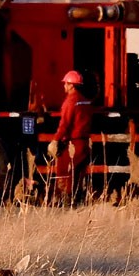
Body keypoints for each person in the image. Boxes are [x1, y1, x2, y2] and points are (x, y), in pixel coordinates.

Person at [50, 70, 93, 203]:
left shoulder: (70, 101)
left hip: (72, 143)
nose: (64, 86)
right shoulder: (85, 101)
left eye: (66, 83)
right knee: (78, 174)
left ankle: (65, 201)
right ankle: (77, 199)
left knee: (65, 173)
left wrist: (55, 140)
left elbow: (65, 124)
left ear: (71, 85)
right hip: (84, 142)